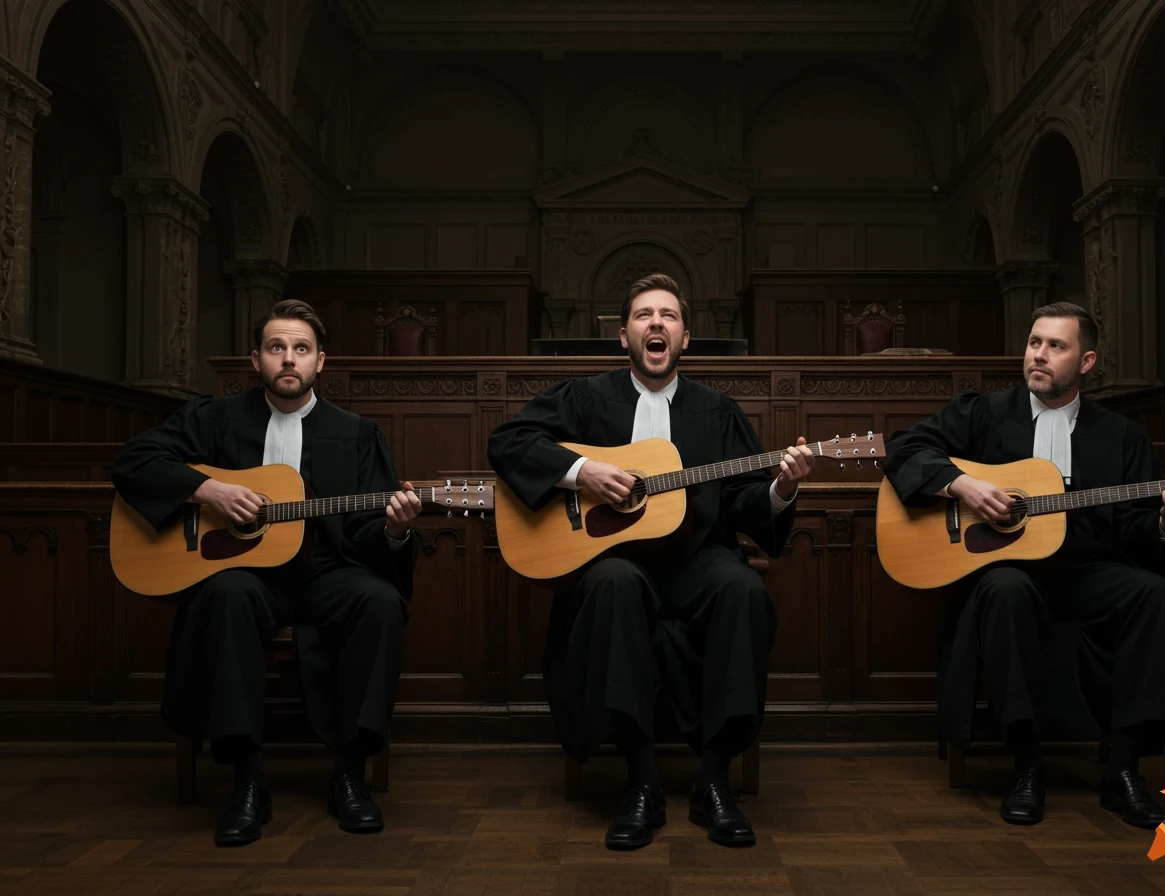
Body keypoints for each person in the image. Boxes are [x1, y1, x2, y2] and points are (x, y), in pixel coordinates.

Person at [487, 273, 814, 849]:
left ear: (685, 337)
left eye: (668, 315)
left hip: (697, 560)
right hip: (614, 561)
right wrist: (581, 472)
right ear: (624, 336)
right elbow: (508, 442)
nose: (656, 323)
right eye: (643, 315)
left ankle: (714, 783)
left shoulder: (717, 411)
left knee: (743, 591)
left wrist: (781, 489)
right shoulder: (585, 397)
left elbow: (742, 500)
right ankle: (642, 783)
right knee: (614, 584)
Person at [112, 299, 423, 846]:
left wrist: (395, 531)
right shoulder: (214, 418)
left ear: (319, 361)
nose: (288, 359)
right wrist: (207, 489)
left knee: (378, 602)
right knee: (225, 594)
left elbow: (365, 533)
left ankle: (350, 774)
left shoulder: (356, 433)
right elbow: (134, 461)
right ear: (256, 360)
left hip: (326, 572)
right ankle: (247, 780)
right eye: (276, 347)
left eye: (301, 348)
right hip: (247, 576)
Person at [882, 301, 1165, 829]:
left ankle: (1124, 769)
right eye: (1034, 343)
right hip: (1006, 573)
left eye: (1056, 346)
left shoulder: (1123, 437)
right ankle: (1027, 765)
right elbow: (904, 448)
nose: (1039, 355)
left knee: (1157, 596)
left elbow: (1137, 536)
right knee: (1006, 589)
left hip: (1087, 572)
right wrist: (961, 484)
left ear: (1087, 361)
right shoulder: (984, 412)